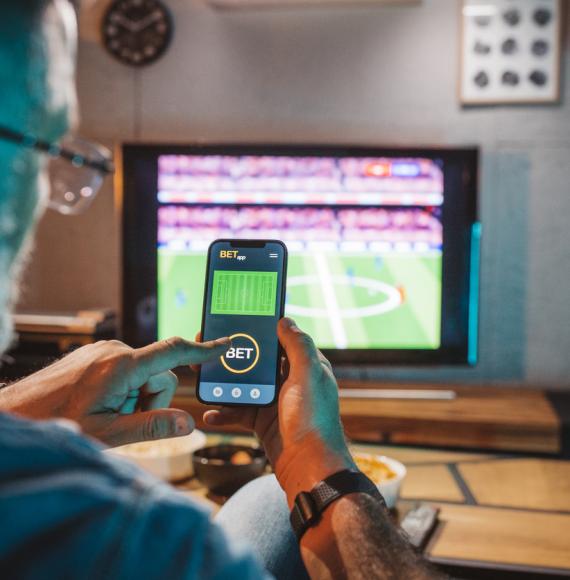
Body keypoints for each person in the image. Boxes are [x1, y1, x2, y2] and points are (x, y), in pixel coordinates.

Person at [0, 2, 440, 578]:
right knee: (271, 497)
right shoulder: (135, 537)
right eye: (46, 148)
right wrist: (318, 465)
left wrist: (14, 413)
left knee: (259, 499)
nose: (50, 195)